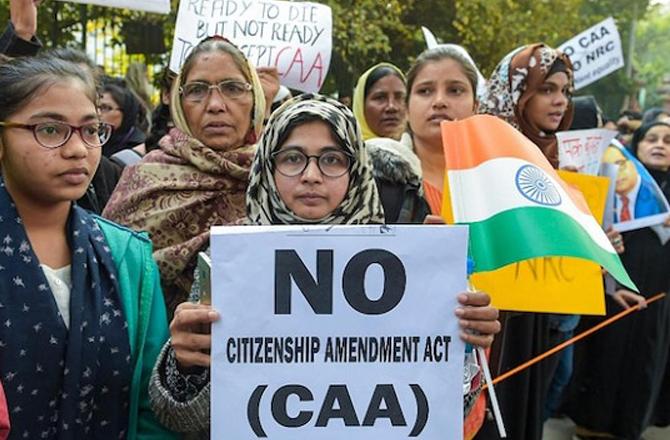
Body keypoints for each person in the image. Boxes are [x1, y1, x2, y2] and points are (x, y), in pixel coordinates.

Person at [148, 93, 501, 438]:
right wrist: (185, 365)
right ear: (268, 166)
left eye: (332, 159)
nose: (312, 175)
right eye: (292, 158)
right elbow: (179, 417)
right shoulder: (231, 259)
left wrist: (456, 335)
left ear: (356, 170)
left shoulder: (404, 259)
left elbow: (446, 409)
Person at [0, 53, 174, 439]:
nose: (78, 149)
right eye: (50, 130)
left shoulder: (127, 256)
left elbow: (150, 408)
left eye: (91, 130)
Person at [103, 36, 274, 315]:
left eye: (232, 88)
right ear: (179, 103)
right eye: (197, 90)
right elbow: (110, 284)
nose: (216, 104)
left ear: (254, 98)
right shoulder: (144, 180)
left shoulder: (282, 176)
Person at [476, 43, 574, 440]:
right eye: (548, 89)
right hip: (494, 322)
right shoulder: (483, 155)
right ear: (517, 92)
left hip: (543, 316)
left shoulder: (560, 158)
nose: (560, 102)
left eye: (566, 91)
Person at [566, 121, 670, 440]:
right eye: (651, 138)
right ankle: (590, 425)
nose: (660, 144)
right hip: (613, 289)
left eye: (668, 141)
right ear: (635, 146)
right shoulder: (611, 184)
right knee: (604, 356)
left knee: (645, 359)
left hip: (659, 297)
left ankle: (630, 425)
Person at [99, 79, 150, 164]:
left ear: (126, 112)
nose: (99, 113)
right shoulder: (99, 140)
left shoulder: (139, 148)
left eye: (106, 108)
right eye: (97, 107)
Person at [353, 63, 407, 141]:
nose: (392, 107)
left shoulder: (424, 150)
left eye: (400, 97)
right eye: (380, 98)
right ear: (361, 106)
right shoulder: (347, 152)